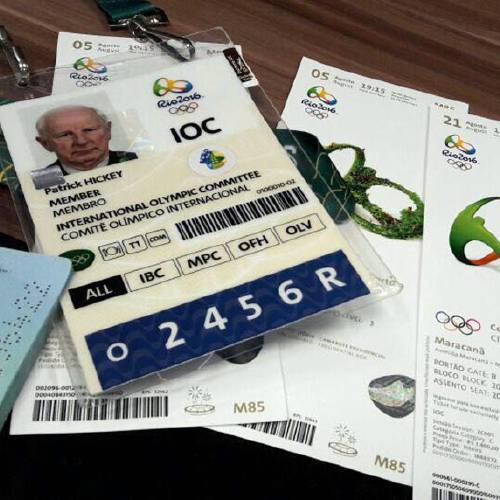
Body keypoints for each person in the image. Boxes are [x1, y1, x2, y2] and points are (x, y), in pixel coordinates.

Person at [35, 105, 137, 175]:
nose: (81, 141)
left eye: (89, 130)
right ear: (45, 144)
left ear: (108, 131)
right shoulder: (37, 184)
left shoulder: (138, 161)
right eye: (65, 135)